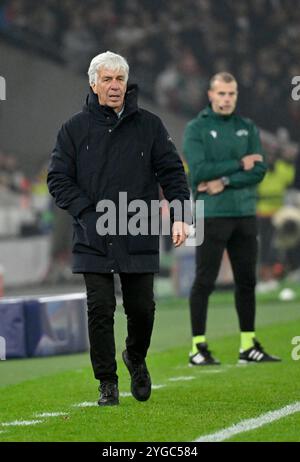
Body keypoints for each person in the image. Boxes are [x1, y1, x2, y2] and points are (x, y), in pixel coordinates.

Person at [47, 51, 191, 406]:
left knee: (142, 309)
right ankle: (107, 382)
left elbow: (172, 173)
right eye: (107, 79)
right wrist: (88, 213)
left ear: (128, 84)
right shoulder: (73, 129)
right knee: (100, 309)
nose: (115, 86)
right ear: (93, 83)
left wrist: (182, 216)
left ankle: (136, 358)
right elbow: (58, 179)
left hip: (137, 228)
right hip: (92, 232)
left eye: (120, 79)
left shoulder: (151, 125)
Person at [183, 72, 281, 366]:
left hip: (244, 213)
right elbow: (198, 173)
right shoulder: (196, 128)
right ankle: (197, 348)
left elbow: (259, 170)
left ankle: (248, 345)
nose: (226, 99)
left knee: (247, 281)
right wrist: (239, 164)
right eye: (222, 93)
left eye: (231, 94)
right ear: (210, 95)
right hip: (212, 214)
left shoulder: (246, 127)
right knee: (204, 281)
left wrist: (223, 179)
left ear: (236, 96)